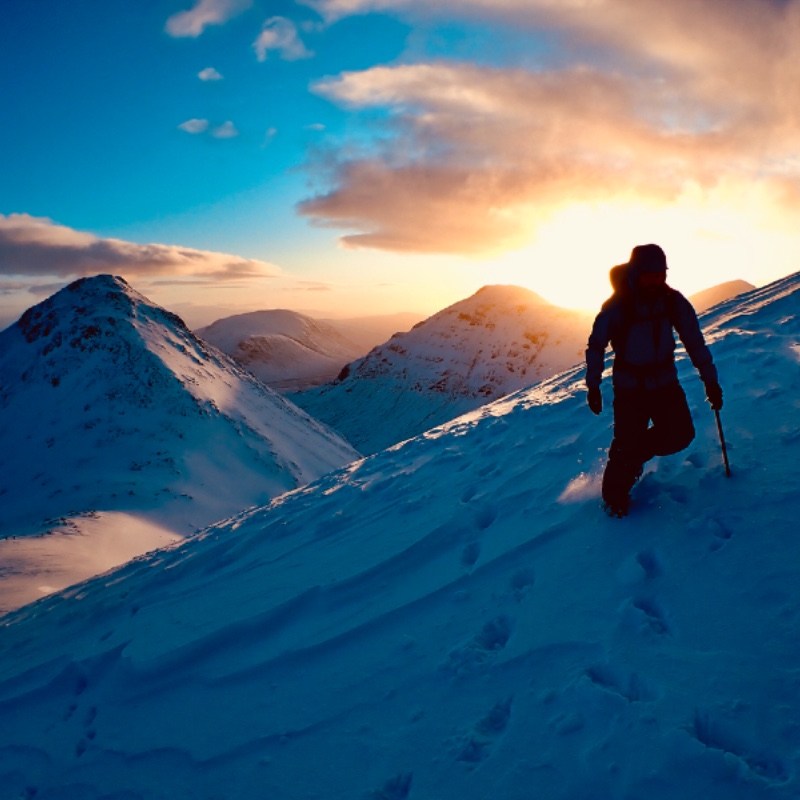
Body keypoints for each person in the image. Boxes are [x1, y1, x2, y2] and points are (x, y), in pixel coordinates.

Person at [585, 243, 723, 517]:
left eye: (660, 274)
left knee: (681, 434)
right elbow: (596, 345)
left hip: (664, 384)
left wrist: (710, 381)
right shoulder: (618, 306)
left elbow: (695, 342)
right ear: (637, 273)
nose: (656, 279)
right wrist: (593, 385)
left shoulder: (672, 301)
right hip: (630, 389)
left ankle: (634, 455)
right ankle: (614, 501)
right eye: (650, 274)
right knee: (625, 443)